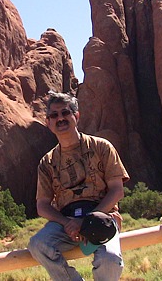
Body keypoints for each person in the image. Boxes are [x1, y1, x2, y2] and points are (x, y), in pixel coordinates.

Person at [28, 92, 130, 281]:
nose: (60, 118)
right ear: (48, 123)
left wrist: (87, 220)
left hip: (102, 216)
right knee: (38, 244)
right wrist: (68, 223)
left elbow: (117, 190)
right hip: (66, 222)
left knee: (110, 259)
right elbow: (42, 205)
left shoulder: (101, 147)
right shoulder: (47, 162)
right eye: (54, 115)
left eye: (65, 113)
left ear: (76, 116)